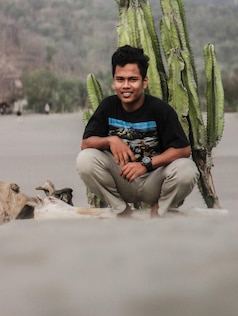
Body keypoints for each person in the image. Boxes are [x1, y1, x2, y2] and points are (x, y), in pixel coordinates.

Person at [76, 45, 199, 218]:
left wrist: (145, 164)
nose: (126, 86)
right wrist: (111, 140)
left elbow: (183, 150)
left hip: (153, 181)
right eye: (120, 79)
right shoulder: (108, 106)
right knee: (85, 159)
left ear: (144, 81)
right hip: (121, 179)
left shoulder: (161, 110)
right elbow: (86, 143)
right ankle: (121, 210)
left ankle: (159, 210)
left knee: (187, 170)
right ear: (113, 81)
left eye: (132, 79)